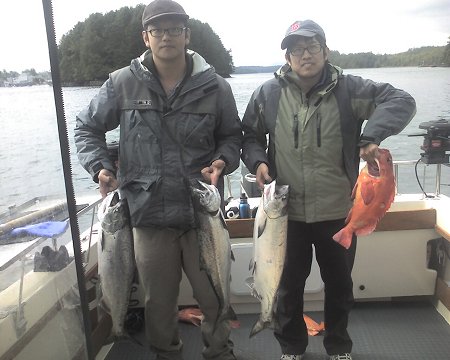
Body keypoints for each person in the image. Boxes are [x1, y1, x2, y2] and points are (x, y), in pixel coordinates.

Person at [74, 1, 242, 359]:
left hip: (202, 217)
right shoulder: (121, 82)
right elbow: (86, 128)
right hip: (147, 217)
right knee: (157, 305)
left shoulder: (216, 87)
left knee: (214, 297)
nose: (167, 36)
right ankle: (167, 355)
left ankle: (220, 353)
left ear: (187, 35)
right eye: (158, 30)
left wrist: (223, 161)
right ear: (146, 37)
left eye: (174, 29)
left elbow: (232, 136)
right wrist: (100, 167)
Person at [241, 19, 416, 360]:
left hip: (339, 212)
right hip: (286, 215)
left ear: (325, 50)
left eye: (311, 47)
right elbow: (248, 135)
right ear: (288, 57)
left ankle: (338, 347)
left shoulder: (351, 89)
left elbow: (400, 100)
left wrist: (372, 135)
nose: (304, 55)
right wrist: (257, 162)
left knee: (340, 287)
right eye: (295, 50)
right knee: (287, 288)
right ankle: (292, 347)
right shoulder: (267, 93)